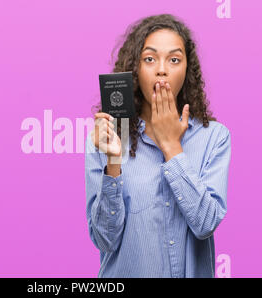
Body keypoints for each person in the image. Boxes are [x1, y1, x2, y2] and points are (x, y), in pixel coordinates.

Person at [85, 14, 231, 278]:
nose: (162, 69)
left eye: (174, 59)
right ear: (135, 68)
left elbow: (206, 224)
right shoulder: (107, 138)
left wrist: (171, 146)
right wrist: (114, 163)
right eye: (150, 59)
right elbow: (105, 241)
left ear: (186, 71)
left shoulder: (214, 138)